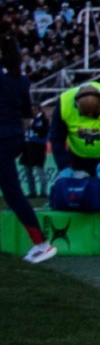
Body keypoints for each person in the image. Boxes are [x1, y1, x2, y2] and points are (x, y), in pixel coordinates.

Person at [0, 33, 53, 263]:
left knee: (14, 194)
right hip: (13, 137)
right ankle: (40, 242)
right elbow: (25, 112)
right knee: (13, 194)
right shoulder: (20, 79)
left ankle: (41, 243)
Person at [51, 80, 100, 202]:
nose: (89, 118)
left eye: (94, 114)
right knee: (78, 201)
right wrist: (64, 165)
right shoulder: (64, 103)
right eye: (85, 114)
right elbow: (56, 137)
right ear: (76, 104)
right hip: (77, 157)